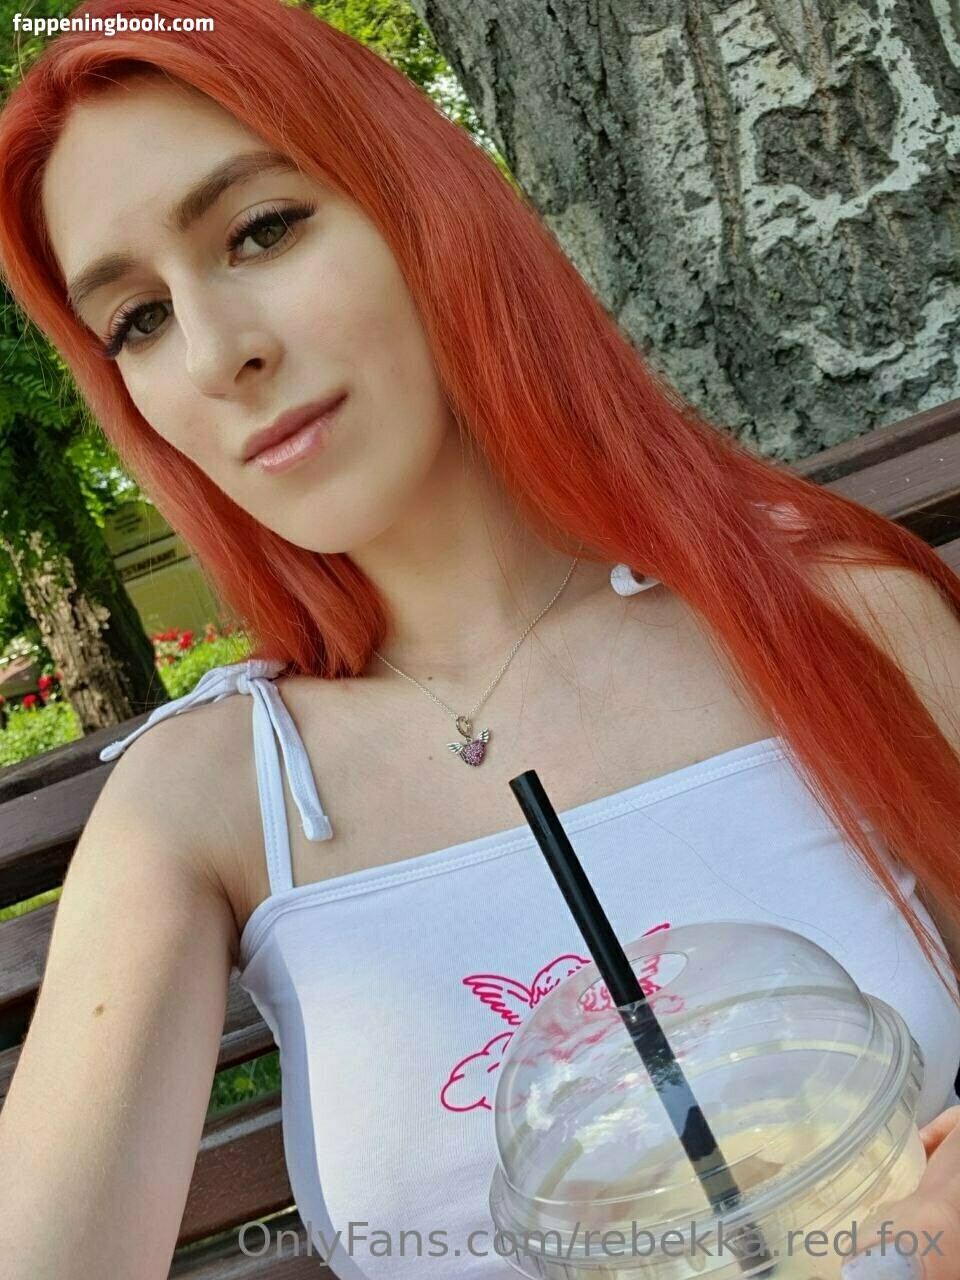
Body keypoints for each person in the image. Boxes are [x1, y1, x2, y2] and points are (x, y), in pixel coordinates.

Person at [1, 1, 960, 1276]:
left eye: (261, 230)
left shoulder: (833, 614)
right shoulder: (209, 801)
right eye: (139, 319)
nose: (219, 353)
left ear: (422, 208)